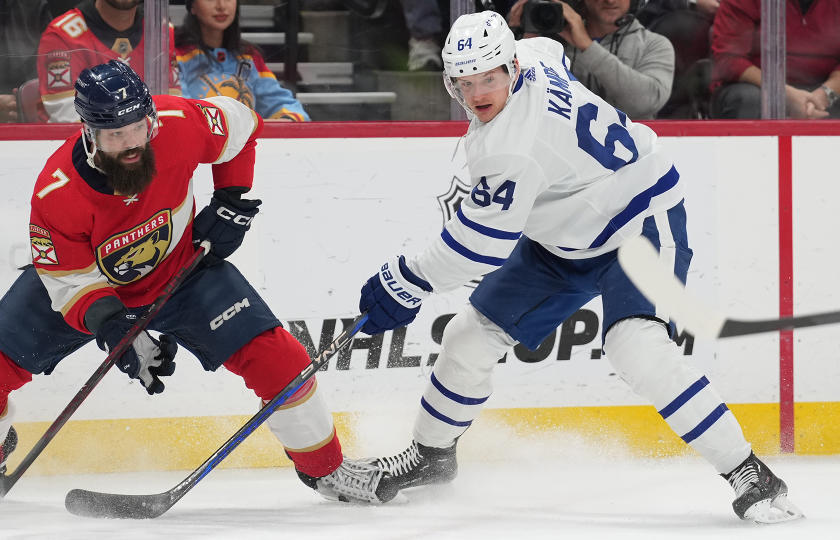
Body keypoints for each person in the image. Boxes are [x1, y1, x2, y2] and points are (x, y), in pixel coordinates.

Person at [357, 11, 803, 523]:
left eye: (489, 78)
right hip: (565, 238)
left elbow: (478, 247)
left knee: (636, 346)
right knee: (468, 337)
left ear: (510, 68)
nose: (478, 93)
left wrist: (406, 280)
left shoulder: (511, 148)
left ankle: (748, 471)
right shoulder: (533, 58)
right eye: (465, 81)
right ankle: (432, 457)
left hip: (639, 221)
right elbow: (552, 45)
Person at [0, 60, 381, 505]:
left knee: (282, 360)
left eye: (139, 127)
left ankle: (327, 470)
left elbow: (240, 123)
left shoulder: (177, 123)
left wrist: (232, 196)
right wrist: (116, 329)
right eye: (115, 135)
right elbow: (69, 281)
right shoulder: (56, 191)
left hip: (182, 271)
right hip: (89, 288)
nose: (132, 143)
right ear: (88, 132)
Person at [508, 0, 673, 119]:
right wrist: (518, 39)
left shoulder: (655, 44)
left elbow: (646, 102)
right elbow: (516, 101)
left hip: (631, 155)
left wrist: (587, 47)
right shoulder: (550, 43)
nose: (610, 1)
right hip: (560, 146)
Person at [37, 0, 181, 123]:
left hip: (144, 143)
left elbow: (171, 105)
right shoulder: (62, 35)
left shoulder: (161, 31)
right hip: (86, 149)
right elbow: (68, 119)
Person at [175, 0, 309, 122]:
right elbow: (181, 114)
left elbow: (284, 104)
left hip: (248, 146)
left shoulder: (249, 56)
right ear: (192, 6)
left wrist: (285, 120)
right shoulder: (176, 56)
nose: (221, 6)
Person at [710, 0, 840, 119]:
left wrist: (823, 96)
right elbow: (728, 59)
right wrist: (783, 93)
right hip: (758, 86)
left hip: (825, 86)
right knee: (748, 100)